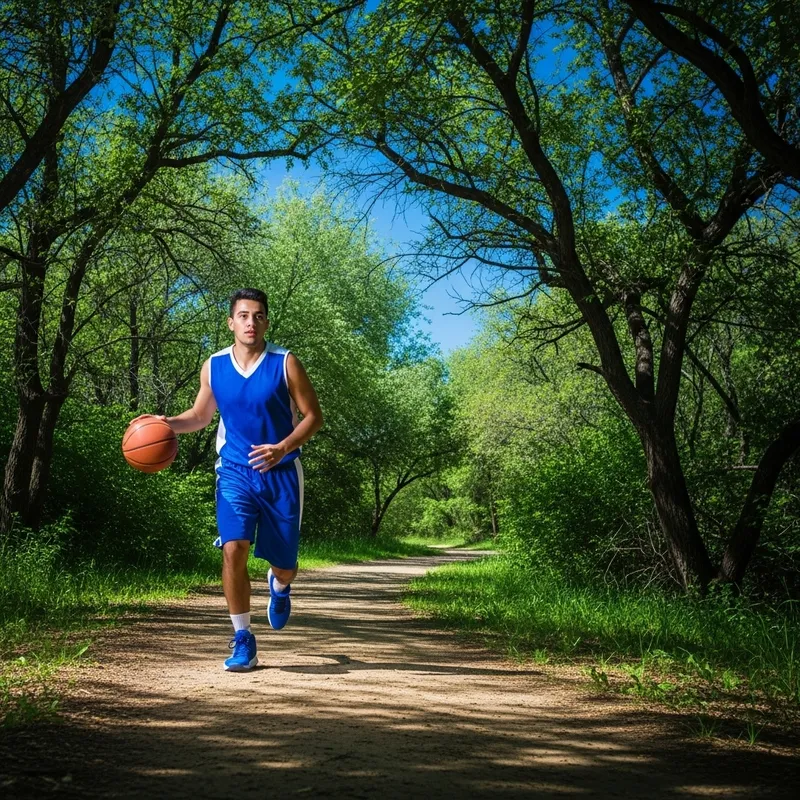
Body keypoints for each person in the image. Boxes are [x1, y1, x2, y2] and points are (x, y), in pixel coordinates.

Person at [132, 288, 323, 671]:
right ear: (231, 322)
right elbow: (200, 416)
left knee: (285, 565)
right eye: (244, 316)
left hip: (281, 474)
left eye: (258, 316)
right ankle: (243, 638)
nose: (251, 322)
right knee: (233, 547)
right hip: (234, 471)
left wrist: (282, 448)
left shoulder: (285, 363)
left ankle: (280, 585)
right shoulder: (214, 366)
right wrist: (166, 424)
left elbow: (313, 417)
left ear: (266, 322)